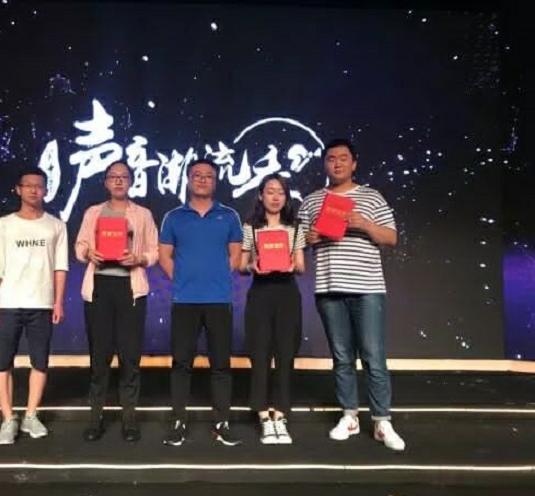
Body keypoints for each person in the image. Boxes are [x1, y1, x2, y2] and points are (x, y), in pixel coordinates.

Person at [298, 138, 405, 451]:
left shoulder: (371, 197)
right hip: (329, 289)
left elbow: (391, 237)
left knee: (373, 356)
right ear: (325, 164)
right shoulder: (312, 201)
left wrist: (365, 224)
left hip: (367, 288)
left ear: (354, 163)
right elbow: (297, 243)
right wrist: (309, 238)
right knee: (342, 357)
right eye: (331, 158)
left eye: (343, 158)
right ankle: (349, 416)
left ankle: (382, 421)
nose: (337, 163)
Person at [159, 158, 243, 447]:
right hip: (185, 300)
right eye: (197, 175)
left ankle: (222, 422)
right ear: (188, 179)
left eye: (208, 176)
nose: (203, 179)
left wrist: (215, 277)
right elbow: (164, 256)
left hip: (219, 300)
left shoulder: (229, 216)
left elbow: (235, 256)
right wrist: (183, 280)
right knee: (181, 363)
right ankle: (178, 421)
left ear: (215, 181)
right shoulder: (174, 217)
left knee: (220, 364)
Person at [75, 160, 159, 443]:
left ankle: (129, 421)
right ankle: (95, 420)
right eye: (114, 177)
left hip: (130, 290)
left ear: (131, 181)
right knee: (99, 358)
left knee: (130, 357)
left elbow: (155, 251)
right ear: (106, 182)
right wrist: (89, 253)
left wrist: (139, 258)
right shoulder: (93, 212)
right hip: (99, 288)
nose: (119, 181)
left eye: (124, 176)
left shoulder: (143, 214)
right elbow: (79, 246)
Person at [0, 166, 68, 445]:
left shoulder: (56, 226)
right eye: (28, 185)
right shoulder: (3, 225)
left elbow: (60, 267)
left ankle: (31, 414)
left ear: (46, 190)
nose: (34, 190)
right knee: (2, 362)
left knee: (40, 362)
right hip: (9, 302)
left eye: (39, 186)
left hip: (41, 304)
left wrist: (58, 301)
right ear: (18, 189)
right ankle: (8, 418)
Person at [239, 173, 305, 445]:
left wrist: (291, 265)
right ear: (260, 195)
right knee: (260, 353)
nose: (275, 197)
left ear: (286, 197)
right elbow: (241, 265)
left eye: (281, 192)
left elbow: (301, 266)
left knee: (286, 354)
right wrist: (251, 266)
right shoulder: (251, 226)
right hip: (261, 292)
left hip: (287, 292)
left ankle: (281, 415)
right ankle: (264, 416)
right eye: (270, 191)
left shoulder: (295, 226)